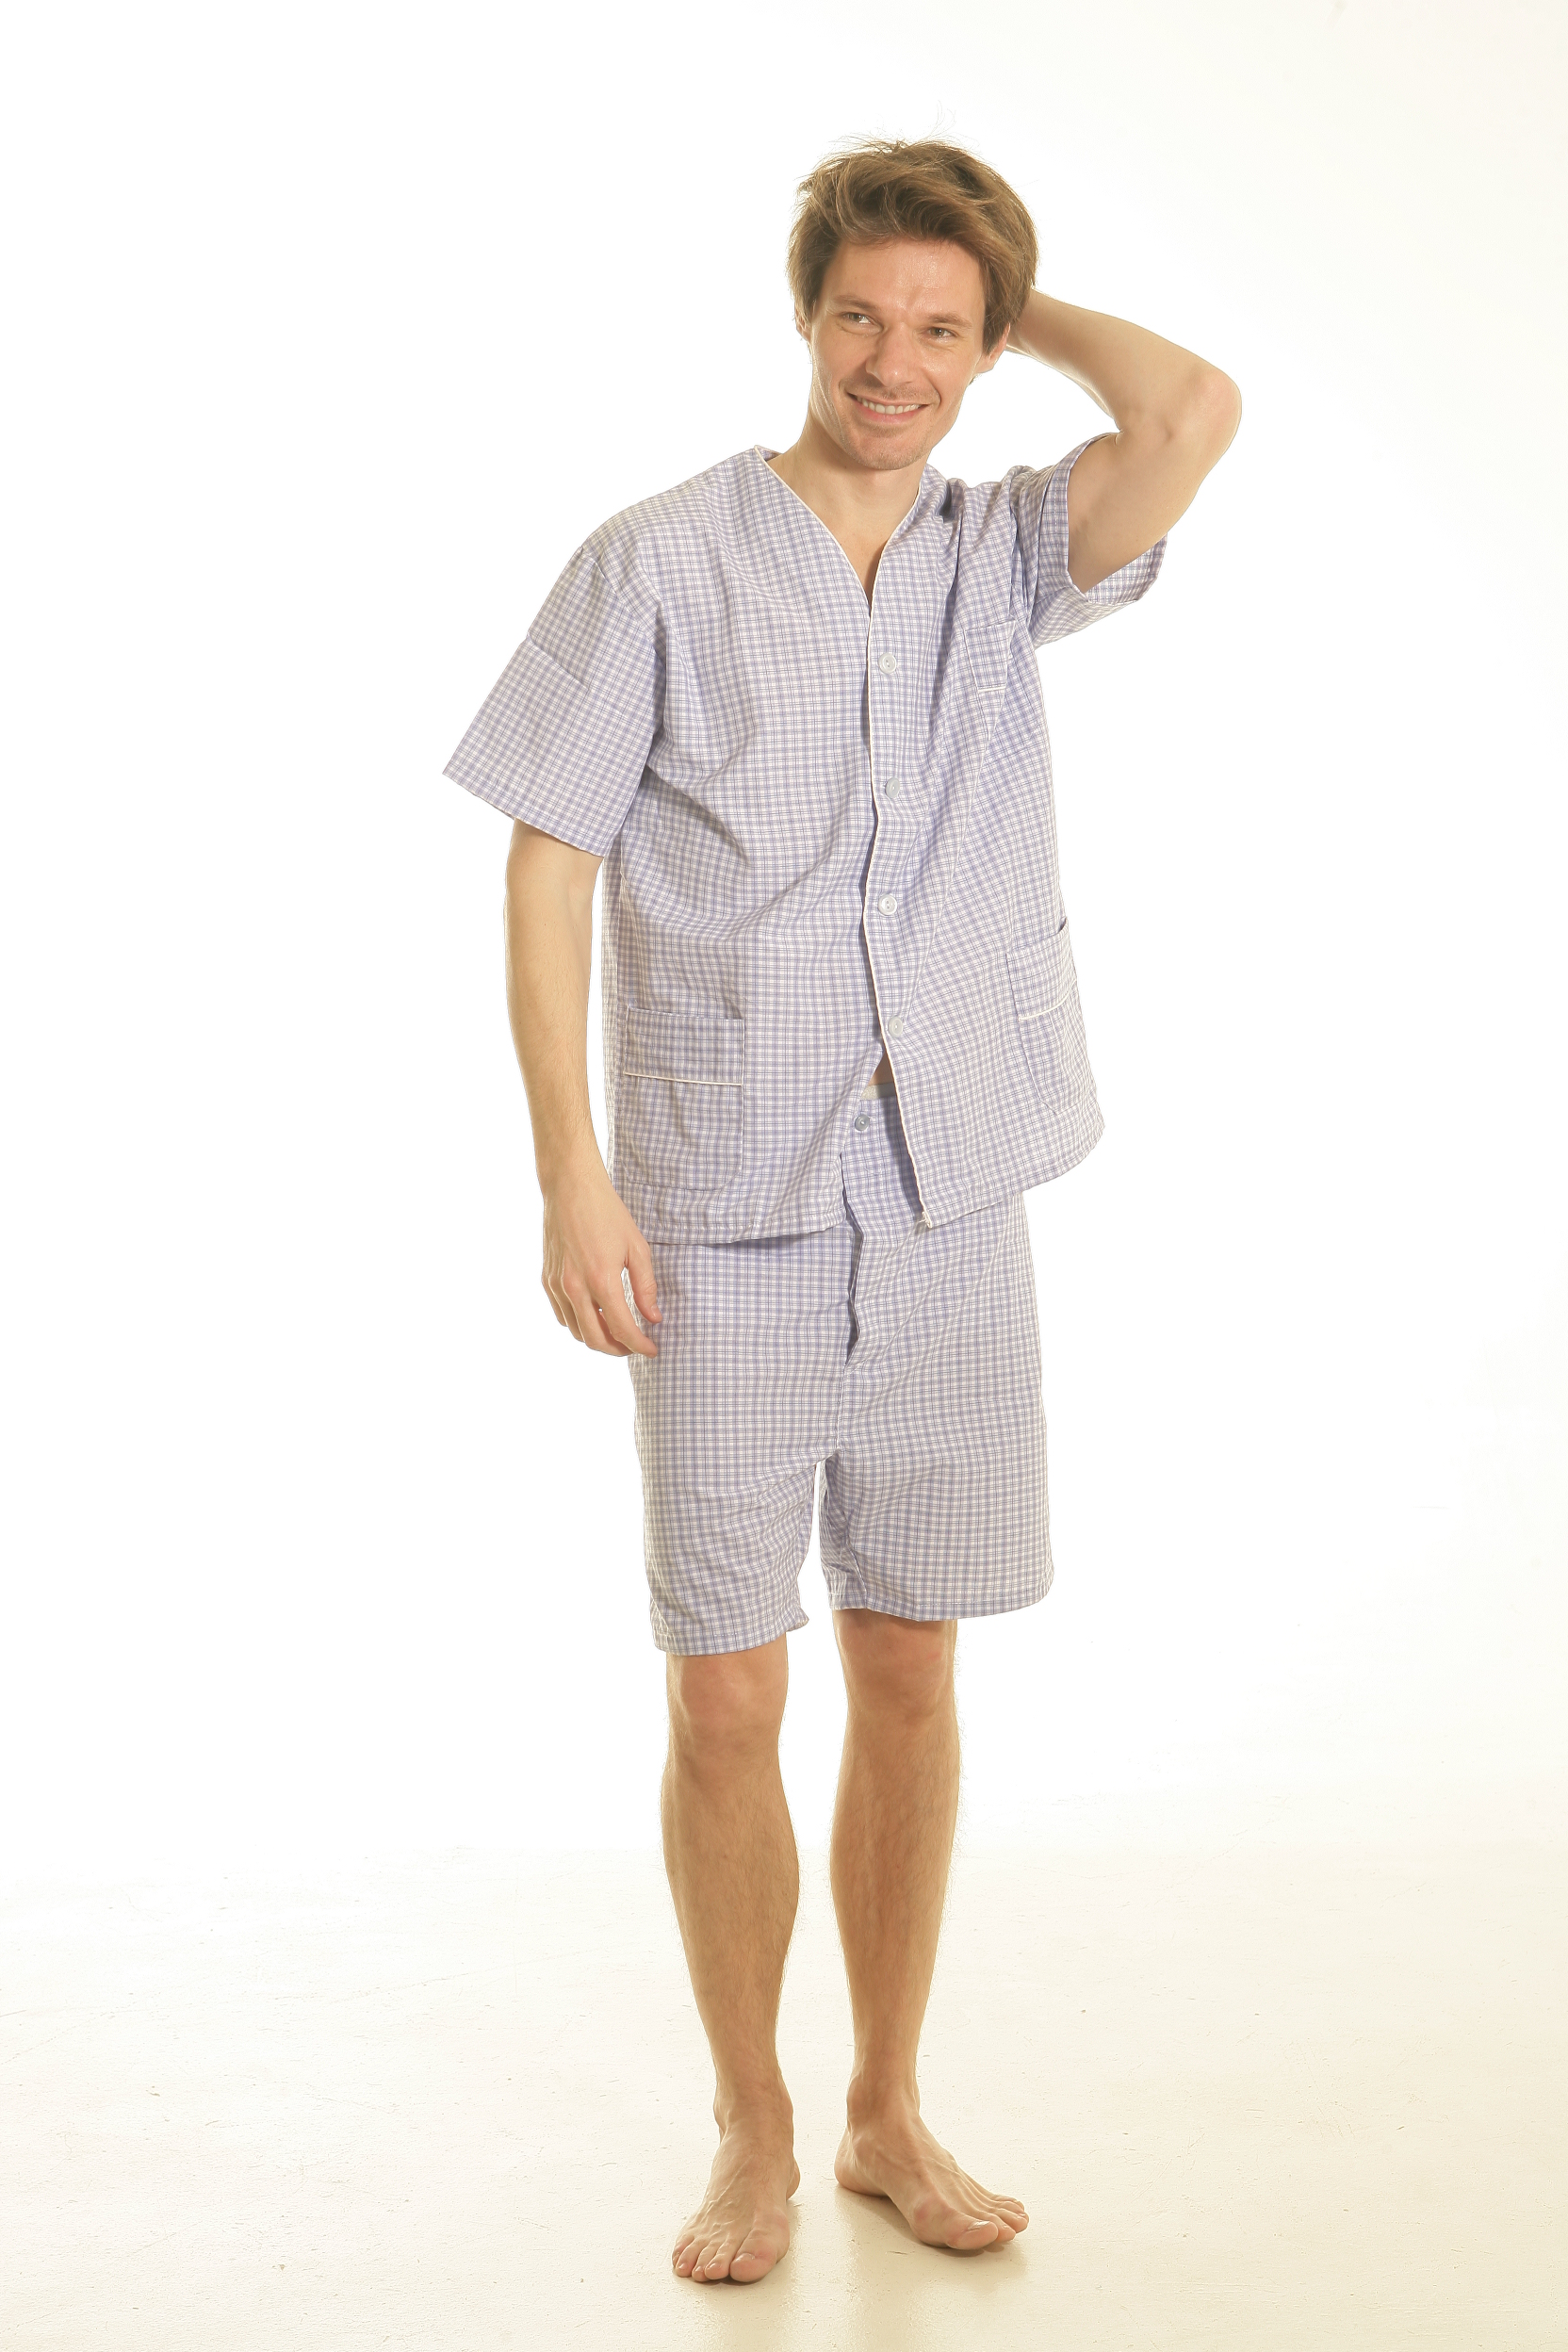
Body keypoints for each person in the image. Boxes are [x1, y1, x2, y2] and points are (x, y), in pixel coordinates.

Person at [443, 135, 1241, 2286]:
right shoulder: (659, 562)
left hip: (954, 1187)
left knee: (908, 1660)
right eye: (863, 315)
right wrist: (568, 1169)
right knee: (725, 1691)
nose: (895, 362)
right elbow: (545, 856)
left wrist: (1012, 294)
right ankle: (754, 2124)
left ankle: (887, 2106)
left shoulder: (1008, 557)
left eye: (941, 330)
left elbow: (1190, 411)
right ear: (805, 316)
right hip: (719, 1199)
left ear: (986, 348)